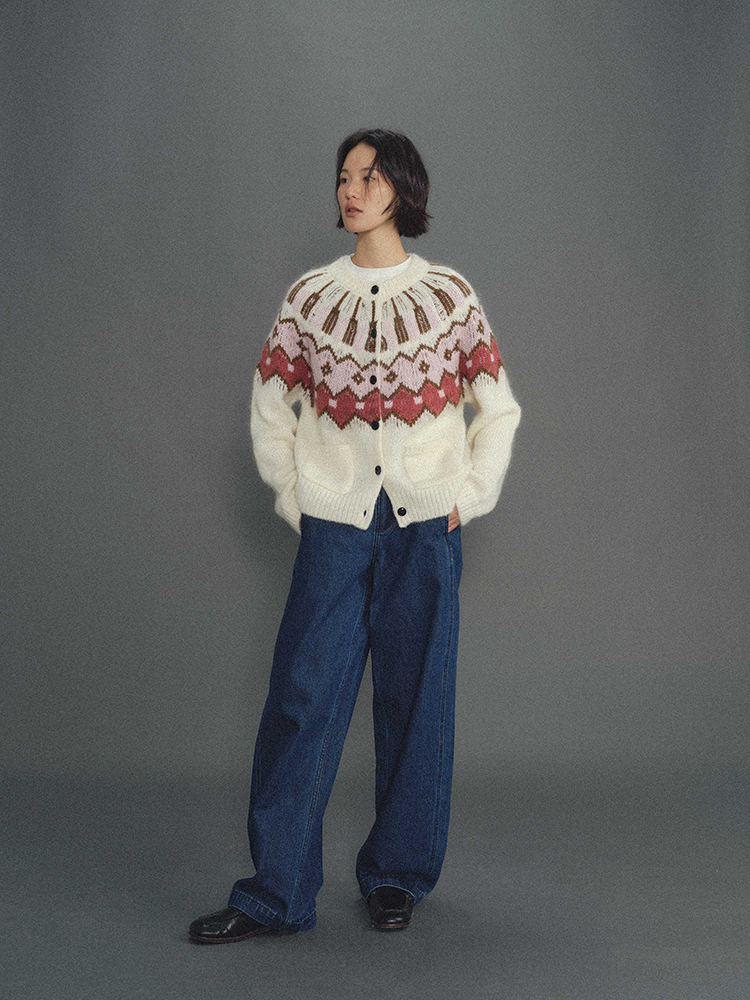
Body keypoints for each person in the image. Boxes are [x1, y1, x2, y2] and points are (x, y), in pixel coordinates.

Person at [189, 128, 521, 943]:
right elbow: (270, 406)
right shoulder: (310, 298)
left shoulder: (449, 296)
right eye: (344, 177)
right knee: (302, 700)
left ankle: (397, 876)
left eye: (368, 177)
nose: (351, 190)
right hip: (334, 529)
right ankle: (276, 893)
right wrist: (298, 499)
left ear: (402, 189)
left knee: (417, 703)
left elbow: (497, 407)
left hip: (424, 532)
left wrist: (467, 496)